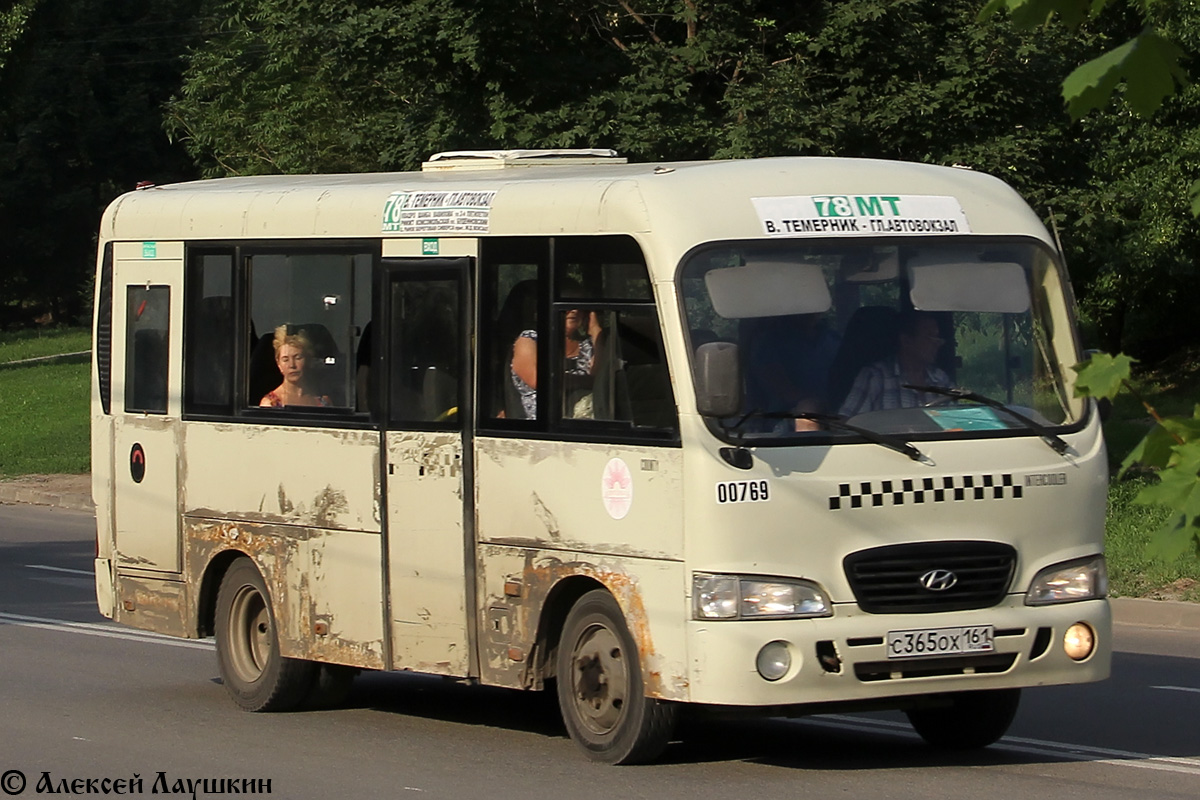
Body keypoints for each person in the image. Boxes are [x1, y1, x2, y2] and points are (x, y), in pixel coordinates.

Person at [838, 312, 951, 417]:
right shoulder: (874, 377)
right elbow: (847, 426)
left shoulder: (941, 380)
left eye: (938, 338)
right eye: (930, 337)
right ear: (906, 340)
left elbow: (959, 423)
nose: (937, 343)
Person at [510, 308, 602, 419]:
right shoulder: (531, 339)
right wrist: (586, 381)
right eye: (567, 304)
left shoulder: (587, 345)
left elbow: (603, 379)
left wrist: (595, 330)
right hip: (542, 426)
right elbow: (540, 381)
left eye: (579, 306)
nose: (575, 310)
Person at [259, 325, 331, 408]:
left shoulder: (324, 402)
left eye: (298, 358)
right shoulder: (270, 403)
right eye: (285, 359)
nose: (292, 365)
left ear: (308, 360)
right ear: (278, 364)